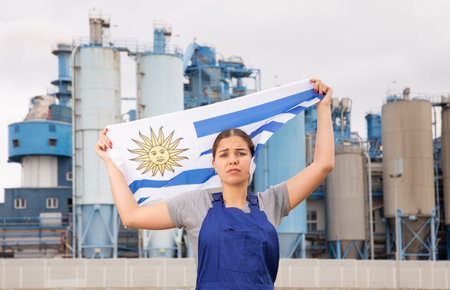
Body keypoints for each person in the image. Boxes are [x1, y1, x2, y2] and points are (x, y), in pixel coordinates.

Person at [95, 79, 334, 289]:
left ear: (251, 160)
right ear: (214, 164)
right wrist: (110, 162)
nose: (232, 160)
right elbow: (131, 216)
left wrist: (324, 107)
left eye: (240, 153)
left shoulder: (272, 203)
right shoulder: (195, 205)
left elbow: (323, 164)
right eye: (224, 154)